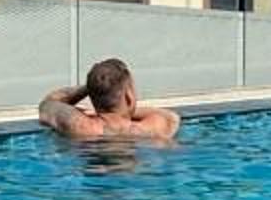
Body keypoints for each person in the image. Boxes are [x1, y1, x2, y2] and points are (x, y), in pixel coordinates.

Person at [38, 58, 182, 143]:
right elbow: (172, 118)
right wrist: (130, 111)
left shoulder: (80, 127)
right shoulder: (151, 130)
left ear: (92, 97)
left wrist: (91, 88)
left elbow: (48, 104)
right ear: (129, 96)